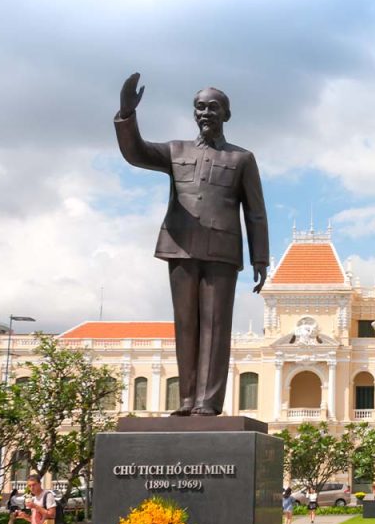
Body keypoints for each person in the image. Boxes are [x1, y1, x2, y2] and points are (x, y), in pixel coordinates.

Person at [114, 73, 270, 416]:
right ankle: (186, 400)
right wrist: (127, 115)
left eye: (213, 108)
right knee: (185, 324)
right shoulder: (175, 151)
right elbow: (136, 152)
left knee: (216, 326)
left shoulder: (241, 159)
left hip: (222, 251)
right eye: (200, 107)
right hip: (179, 246)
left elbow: (255, 212)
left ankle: (208, 402)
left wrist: (261, 258)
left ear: (226, 115)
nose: (205, 113)